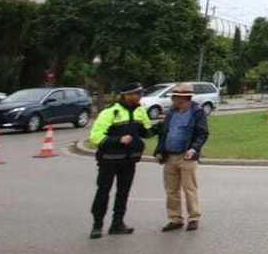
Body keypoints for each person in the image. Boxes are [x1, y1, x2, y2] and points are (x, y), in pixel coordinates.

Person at [88, 84, 153, 238]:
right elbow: (95, 136)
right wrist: (118, 140)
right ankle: (97, 225)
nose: (140, 96)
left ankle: (117, 223)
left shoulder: (140, 111)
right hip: (109, 161)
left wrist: (160, 128)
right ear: (126, 95)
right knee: (103, 192)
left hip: (129, 161)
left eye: (140, 93)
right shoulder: (110, 112)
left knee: (123, 193)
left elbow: (146, 132)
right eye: (136, 93)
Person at [154, 83, 210, 232]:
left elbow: (203, 133)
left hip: (187, 156)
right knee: (171, 190)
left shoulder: (197, 112)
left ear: (186, 98)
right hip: (170, 156)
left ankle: (194, 217)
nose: (174, 100)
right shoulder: (171, 111)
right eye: (173, 97)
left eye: (176, 97)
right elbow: (164, 133)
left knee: (189, 188)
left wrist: (193, 149)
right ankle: (175, 219)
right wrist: (159, 151)